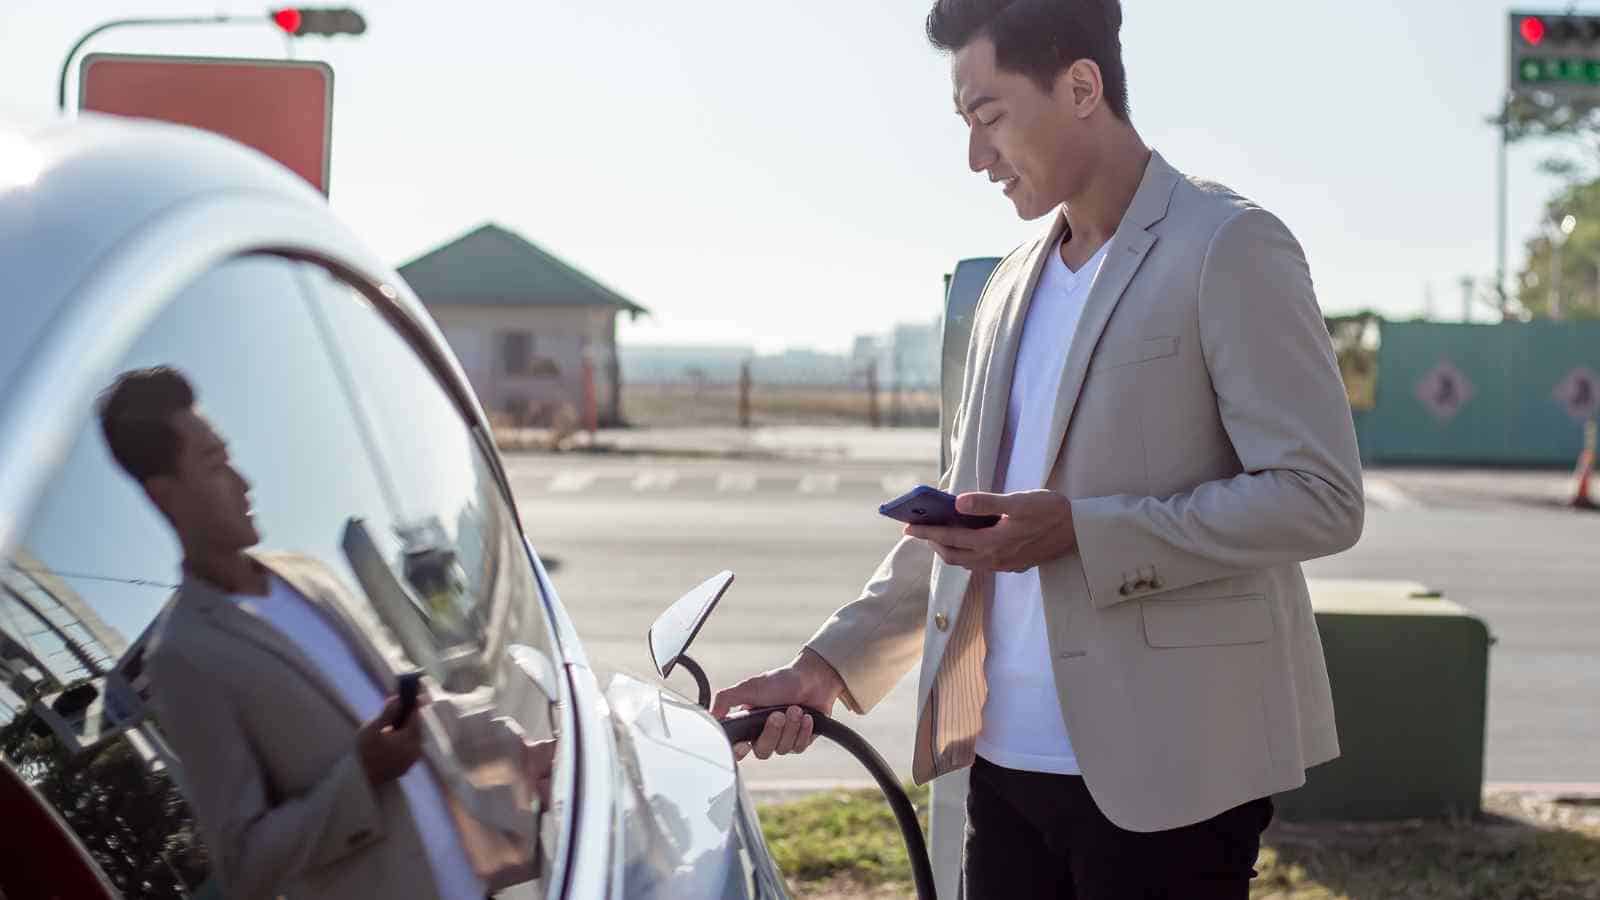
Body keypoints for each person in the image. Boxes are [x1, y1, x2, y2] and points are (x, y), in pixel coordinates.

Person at [710, 1, 1365, 897]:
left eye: (989, 118)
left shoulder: (1229, 245)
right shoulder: (1010, 285)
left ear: (1082, 86)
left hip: (1172, 774)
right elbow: (965, 518)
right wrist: (826, 669)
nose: (976, 157)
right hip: (1004, 762)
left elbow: (1317, 494)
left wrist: (1081, 532)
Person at [98, 367, 554, 900]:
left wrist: (523, 749)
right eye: (214, 464)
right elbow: (246, 861)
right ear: (164, 496)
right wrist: (362, 775)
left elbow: (414, 722)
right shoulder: (184, 656)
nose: (243, 481)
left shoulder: (306, 577)